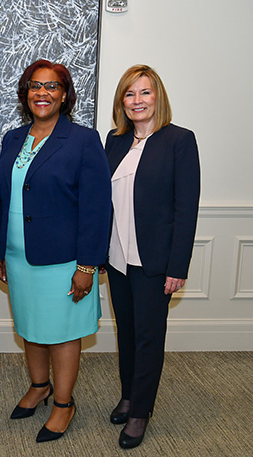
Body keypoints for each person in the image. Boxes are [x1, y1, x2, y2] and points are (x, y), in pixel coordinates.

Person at [0, 59, 111, 443]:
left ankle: (63, 404)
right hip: (17, 254)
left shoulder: (82, 140)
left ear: (65, 95)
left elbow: (96, 207)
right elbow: (3, 198)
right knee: (29, 326)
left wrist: (88, 266)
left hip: (64, 260)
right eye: (35, 86)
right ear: (25, 94)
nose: (42, 93)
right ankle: (39, 385)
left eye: (52, 86)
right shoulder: (13, 139)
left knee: (62, 332)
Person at [105, 64, 200, 449]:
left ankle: (141, 410)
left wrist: (177, 267)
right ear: (121, 102)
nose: (137, 101)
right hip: (116, 258)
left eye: (144, 92)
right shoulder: (113, 140)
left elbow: (186, 208)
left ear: (157, 97)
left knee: (148, 337)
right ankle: (129, 395)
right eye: (129, 94)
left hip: (154, 262)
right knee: (126, 334)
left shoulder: (179, 140)